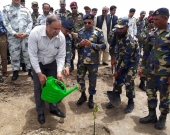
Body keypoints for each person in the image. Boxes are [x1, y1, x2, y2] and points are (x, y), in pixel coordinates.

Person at [28, 15, 66, 124]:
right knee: (38, 87)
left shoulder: (61, 37)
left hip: (52, 62)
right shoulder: (35, 33)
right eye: (55, 28)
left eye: (59, 28)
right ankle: (40, 111)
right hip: (38, 63)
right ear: (47, 25)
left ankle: (53, 108)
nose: (57, 31)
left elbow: (61, 55)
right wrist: (39, 74)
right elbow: (33, 55)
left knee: (53, 85)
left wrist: (59, 72)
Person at [139, 8, 170, 130]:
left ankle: (162, 118)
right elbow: (146, 51)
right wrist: (142, 67)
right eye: (154, 19)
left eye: (157, 19)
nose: (154, 21)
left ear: (166, 18)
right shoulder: (152, 33)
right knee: (150, 93)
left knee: (164, 96)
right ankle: (152, 115)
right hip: (151, 71)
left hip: (165, 73)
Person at [106, 18, 139, 113]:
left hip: (132, 61)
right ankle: (115, 98)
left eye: (122, 28)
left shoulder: (131, 41)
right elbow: (111, 46)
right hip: (121, 56)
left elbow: (127, 59)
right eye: (118, 28)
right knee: (117, 80)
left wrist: (118, 71)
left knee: (128, 81)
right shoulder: (116, 33)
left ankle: (131, 102)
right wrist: (112, 58)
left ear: (127, 27)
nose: (119, 30)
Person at [75, 14, 106, 108]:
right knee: (80, 79)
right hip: (81, 61)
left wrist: (92, 44)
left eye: (89, 22)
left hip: (93, 62)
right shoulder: (80, 32)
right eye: (85, 23)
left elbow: (103, 46)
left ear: (93, 21)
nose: (87, 24)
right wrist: (79, 45)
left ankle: (91, 97)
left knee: (92, 80)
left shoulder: (98, 32)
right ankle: (83, 95)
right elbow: (74, 46)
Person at [2, 0, 33, 81]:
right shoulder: (6, 9)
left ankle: (30, 70)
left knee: (27, 53)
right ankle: (15, 71)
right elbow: (6, 22)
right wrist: (13, 33)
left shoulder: (26, 10)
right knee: (14, 54)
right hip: (13, 37)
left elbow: (30, 22)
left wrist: (26, 33)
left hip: (25, 36)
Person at [67, 1, 84, 72]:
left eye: (74, 8)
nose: (73, 9)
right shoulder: (69, 16)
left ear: (77, 7)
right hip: (71, 37)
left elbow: (84, 26)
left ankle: (80, 66)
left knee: (80, 52)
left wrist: (79, 33)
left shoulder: (81, 15)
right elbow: (67, 27)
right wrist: (72, 33)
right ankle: (71, 66)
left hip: (79, 37)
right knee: (72, 52)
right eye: (72, 8)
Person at [0, 10, 8, 77]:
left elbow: (6, 26)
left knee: (4, 56)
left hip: (2, 36)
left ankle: (4, 71)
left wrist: (7, 38)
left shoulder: (3, 14)